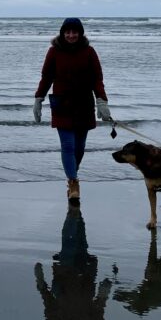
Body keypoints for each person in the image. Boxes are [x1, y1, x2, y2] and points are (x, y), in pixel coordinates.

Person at [34, 17, 111, 205]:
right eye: (67, 32)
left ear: (80, 33)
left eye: (74, 32)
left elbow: (97, 79)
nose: (71, 35)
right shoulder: (53, 52)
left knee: (79, 148)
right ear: (62, 33)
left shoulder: (89, 52)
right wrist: (38, 98)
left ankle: (71, 176)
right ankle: (73, 182)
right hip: (62, 104)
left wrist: (102, 101)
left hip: (84, 104)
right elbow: (46, 77)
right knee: (67, 146)